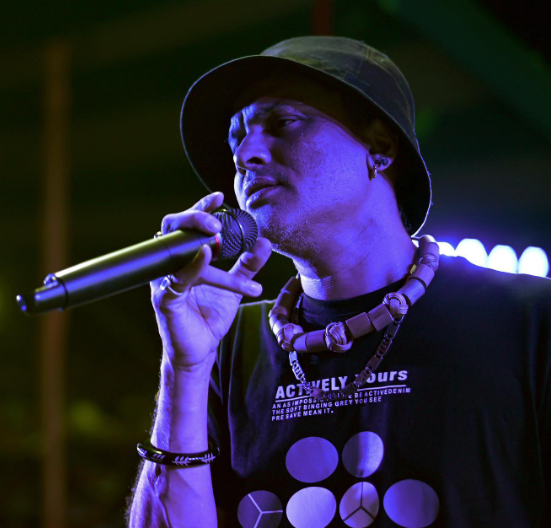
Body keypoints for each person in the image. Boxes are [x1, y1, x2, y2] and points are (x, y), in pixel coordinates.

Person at [128, 37, 551, 527]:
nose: (245, 154)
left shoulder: (527, 321)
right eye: (236, 138)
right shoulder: (225, 345)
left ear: (379, 147)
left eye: (282, 122)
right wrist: (183, 368)